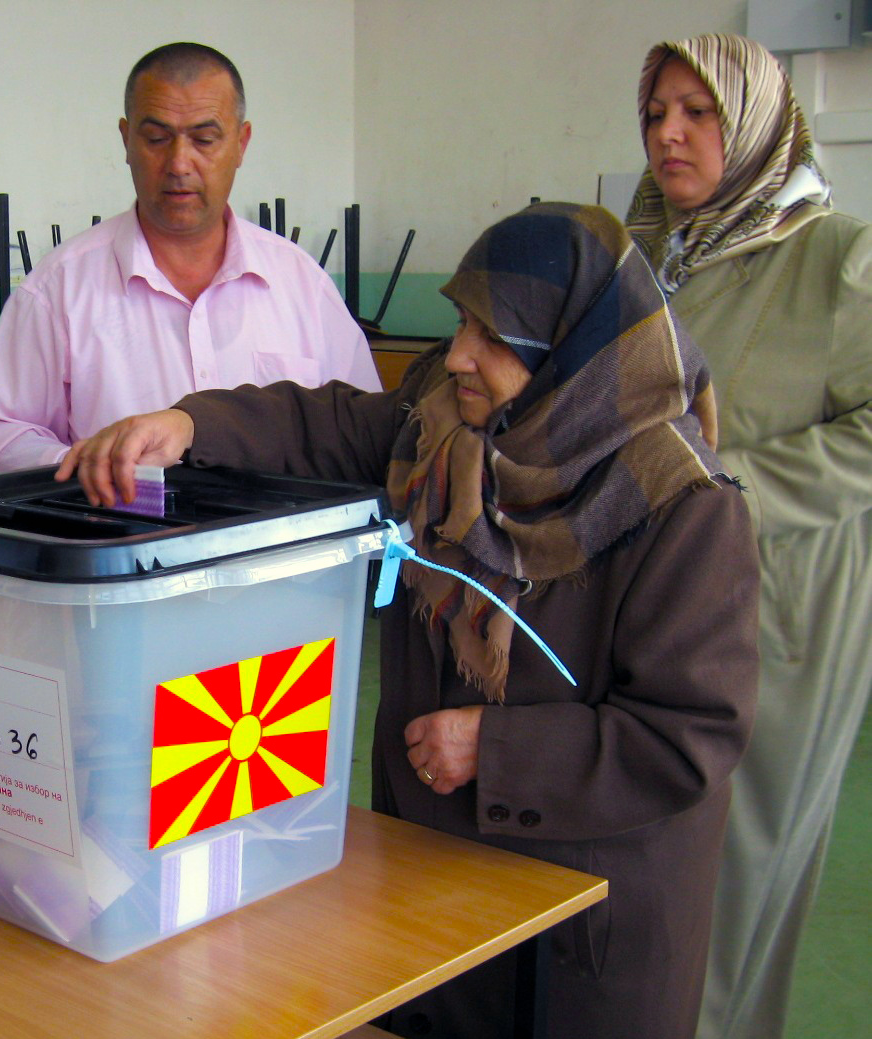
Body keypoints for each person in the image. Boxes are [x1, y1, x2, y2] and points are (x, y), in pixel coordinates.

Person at [57, 202, 760, 1039]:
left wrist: (495, 751)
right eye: (462, 322)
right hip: (432, 872)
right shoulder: (443, 424)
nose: (459, 353)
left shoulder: (681, 507)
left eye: (494, 339)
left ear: (574, 356)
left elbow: (689, 736)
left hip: (587, 915)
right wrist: (189, 423)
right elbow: (326, 424)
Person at [625, 32, 872, 1039]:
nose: (669, 135)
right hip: (647, 601)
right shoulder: (645, 258)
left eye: (698, 112)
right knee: (649, 874)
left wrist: (730, 486)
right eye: (653, 114)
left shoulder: (834, 259)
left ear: (760, 121)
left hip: (776, 615)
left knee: (734, 880)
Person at [0, 42, 380, 473]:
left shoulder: (300, 284)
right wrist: (88, 466)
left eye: (204, 139)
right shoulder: (59, 288)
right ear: (127, 141)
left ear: (241, 143)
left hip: (285, 537)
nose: (179, 163)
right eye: (157, 139)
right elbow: (4, 435)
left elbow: (362, 428)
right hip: (123, 531)